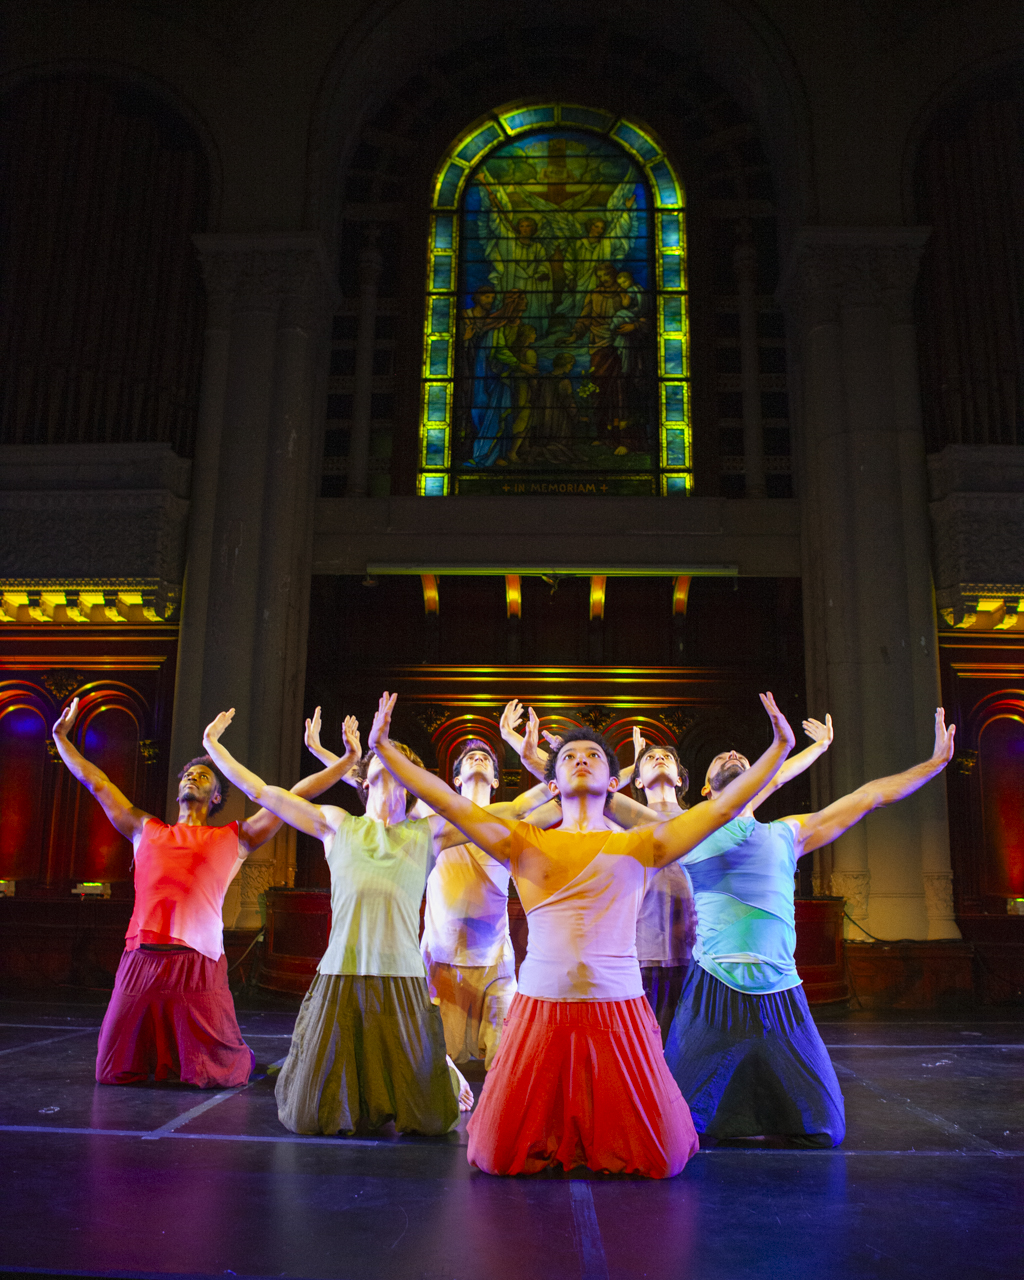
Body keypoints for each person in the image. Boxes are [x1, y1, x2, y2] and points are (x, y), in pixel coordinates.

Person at [367, 688, 796, 1178]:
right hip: (540, 1009)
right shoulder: (522, 840)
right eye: (568, 756)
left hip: (619, 1009)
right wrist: (382, 748)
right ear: (552, 785)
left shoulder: (643, 843)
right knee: (492, 1153)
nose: (580, 760)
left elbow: (718, 811)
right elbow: (449, 803)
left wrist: (779, 749)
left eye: (593, 755)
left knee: (661, 1154)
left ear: (613, 781)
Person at [199, 709, 554, 1137]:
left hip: (402, 978)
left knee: (428, 1117)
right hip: (340, 975)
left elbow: (507, 810)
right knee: (312, 1114)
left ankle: (443, 1078)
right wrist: (213, 747)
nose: (391, 759)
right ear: (364, 780)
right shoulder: (335, 823)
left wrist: (546, 764)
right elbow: (261, 790)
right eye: (383, 755)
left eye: (402, 758)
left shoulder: (431, 831)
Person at [663, 708, 955, 1148]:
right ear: (706, 789)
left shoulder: (788, 834)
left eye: (739, 756)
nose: (732, 753)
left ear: (759, 782)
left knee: (825, 1128)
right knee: (673, 1127)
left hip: (780, 991)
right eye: (720, 758)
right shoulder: (689, 832)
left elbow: (869, 795)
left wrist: (932, 765)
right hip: (712, 988)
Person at [50, 697, 349, 1089]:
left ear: (217, 797)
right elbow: (99, 783)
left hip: (198, 963)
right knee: (112, 1070)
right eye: (188, 775)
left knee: (220, 1072)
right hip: (141, 959)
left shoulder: (235, 838)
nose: (192, 777)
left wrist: (344, 763)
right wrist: (61, 739)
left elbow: (293, 796)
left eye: (203, 776)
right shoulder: (146, 828)